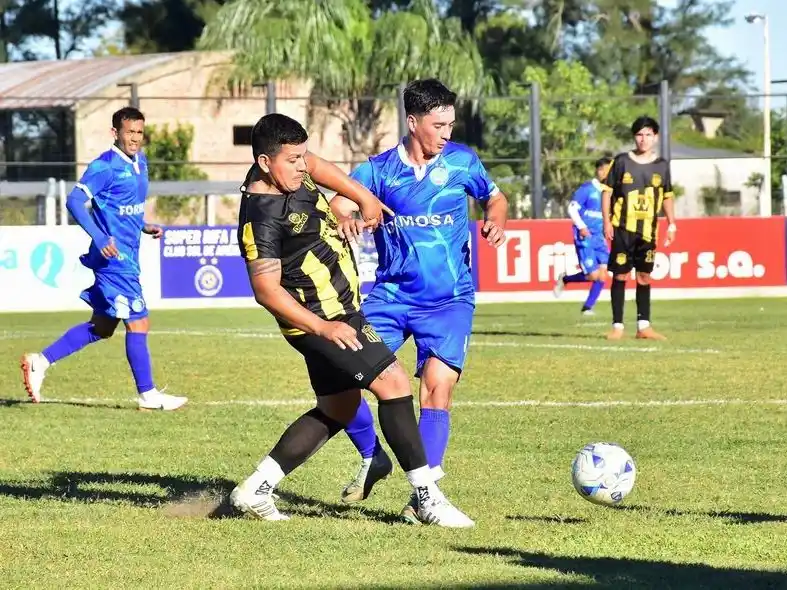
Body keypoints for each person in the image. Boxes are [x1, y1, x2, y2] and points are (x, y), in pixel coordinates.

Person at [229, 112, 474, 528]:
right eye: (292, 160)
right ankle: (427, 498)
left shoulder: (293, 168)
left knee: (338, 408)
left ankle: (256, 488)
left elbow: (321, 167)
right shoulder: (261, 215)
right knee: (394, 383)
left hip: (337, 313)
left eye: (302, 156)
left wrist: (363, 198)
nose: (302, 166)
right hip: (323, 318)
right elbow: (266, 290)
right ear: (265, 163)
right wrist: (323, 328)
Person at [326, 79, 508, 524]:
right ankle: (373, 455)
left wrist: (495, 221)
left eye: (451, 124)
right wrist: (348, 218)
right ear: (412, 122)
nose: (447, 133)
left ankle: (421, 499)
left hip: (449, 299)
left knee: (437, 385)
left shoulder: (463, 162)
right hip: (390, 295)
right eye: (438, 124)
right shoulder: (381, 169)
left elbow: (495, 197)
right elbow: (338, 202)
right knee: (339, 376)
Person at [20, 107, 187, 411]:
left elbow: (125, 208)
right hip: (114, 260)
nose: (135, 138)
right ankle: (148, 394)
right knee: (139, 321)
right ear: (115, 133)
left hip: (129, 254)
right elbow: (74, 201)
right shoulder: (104, 167)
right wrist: (99, 237)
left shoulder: (140, 163)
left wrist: (144, 224)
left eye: (139, 132)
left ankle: (39, 362)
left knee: (102, 327)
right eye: (130, 132)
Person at [602, 116, 676, 341]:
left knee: (644, 276)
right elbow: (607, 192)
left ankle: (644, 326)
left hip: (648, 231)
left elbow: (667, 196)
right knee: (621, 276)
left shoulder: (662, 165)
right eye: (639, 134)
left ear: (655, 137)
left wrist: (672, 223)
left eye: (648, 135)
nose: (643, 139)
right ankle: (617, 326)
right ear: (634, 137)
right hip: (623, 229)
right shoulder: (622, 161)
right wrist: (607, 222)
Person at [553, 156, 613, 315]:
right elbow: (572, 209)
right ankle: (565, 279)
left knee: (603, 275)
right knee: (592, 275)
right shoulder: (587, 189)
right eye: (608, 170)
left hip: (599, 238)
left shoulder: (610, 192)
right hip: (585, 236)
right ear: (600, 170)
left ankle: (588, 307)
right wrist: (582, 226)